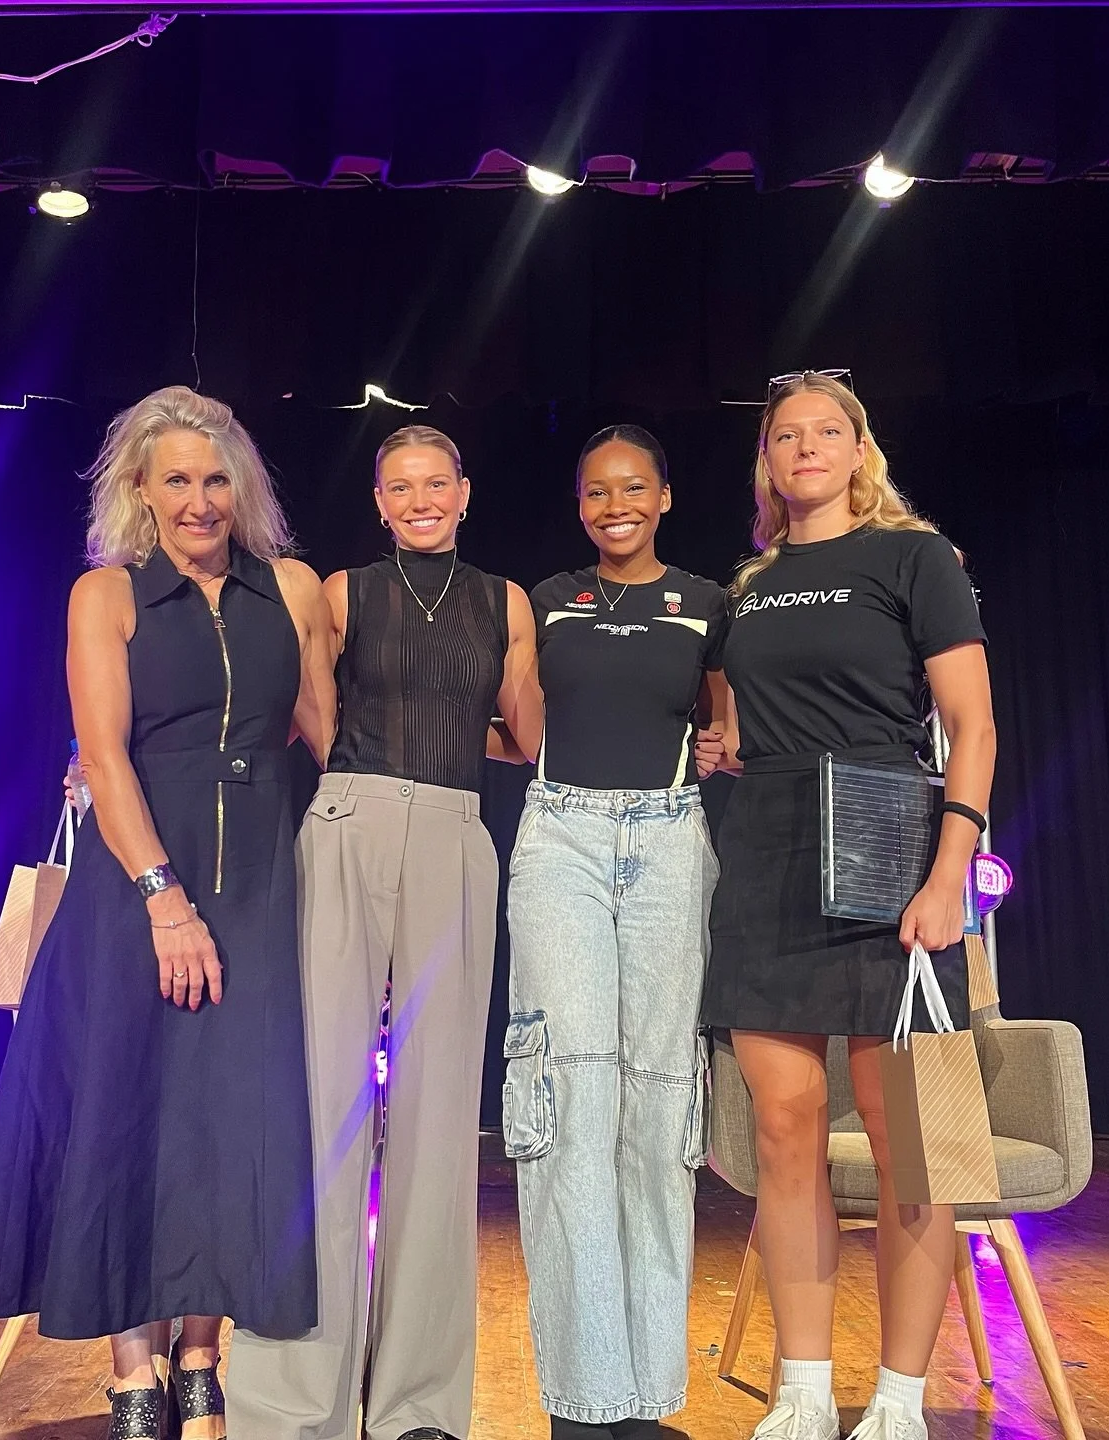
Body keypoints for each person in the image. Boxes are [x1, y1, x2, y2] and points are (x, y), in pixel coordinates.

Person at [0, 385, 336, 1440]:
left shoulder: (290, 587)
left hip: (258, 887)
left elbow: (328, 740)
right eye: (177, 480)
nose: (200, 501)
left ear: (240, 487)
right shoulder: (105, 595)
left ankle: (202, 1358)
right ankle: (131, 1373)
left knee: (222, 1122)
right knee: (127, 1116)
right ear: (140, 491)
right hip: (137, 895)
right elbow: (104, 758)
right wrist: (165, 901)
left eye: (216, 479)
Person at [225, 424, 541, 1440]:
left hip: (457, 829)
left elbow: (526, 735)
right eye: (399, 486)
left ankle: (418, 1405)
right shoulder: (343, 592)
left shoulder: (508, 601)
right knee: (322, 1110)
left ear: (463, 490)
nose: (419, 500)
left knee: (442, 1119)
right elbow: (313, 713)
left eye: (434, 483)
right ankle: (289, 1402)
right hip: (350, 819)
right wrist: (365, 789)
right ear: (378, 501)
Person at [699, 371, 996, 1440]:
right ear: (768, 460)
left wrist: (950, 869)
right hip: (770, 848)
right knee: (785, 1133)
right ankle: (806, 1389)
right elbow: (743, 724)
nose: (807, 446)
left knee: (913, 1140)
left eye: (829, 430)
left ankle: (906, 1398)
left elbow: (972, 723)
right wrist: (723, 747)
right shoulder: (751, 584)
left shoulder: (916, 558)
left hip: (888, 839)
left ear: (859, 449)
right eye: (788, 434)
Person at [503, 426, 727, 1438]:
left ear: (666, 497)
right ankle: (583, 1401)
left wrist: (730, 742)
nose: (616, 505)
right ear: (579, 504)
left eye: (635, 487)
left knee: (657, 1110)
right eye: (597, 491)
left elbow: (732, 726)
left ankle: (645, 1399)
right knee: (567, 1101)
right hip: (563, 841)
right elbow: (504, 723)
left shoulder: (708, 604)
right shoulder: (543, 601)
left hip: (672, 840)